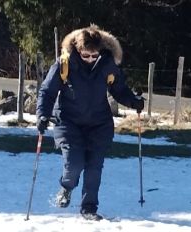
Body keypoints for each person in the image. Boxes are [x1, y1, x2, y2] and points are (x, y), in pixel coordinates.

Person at [35, 24, 146, 221]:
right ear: (78, 50)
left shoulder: (107, 64)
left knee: (94, 166)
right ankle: (66, 187)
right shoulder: (64, 63)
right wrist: (42, 115)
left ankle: (89, 208)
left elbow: (119, 89)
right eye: (86, 55)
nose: (90, 59)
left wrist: (134, 101)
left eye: (94, 55)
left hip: (99, 123)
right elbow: (48, 91)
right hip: (68, 122)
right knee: (74, 164)